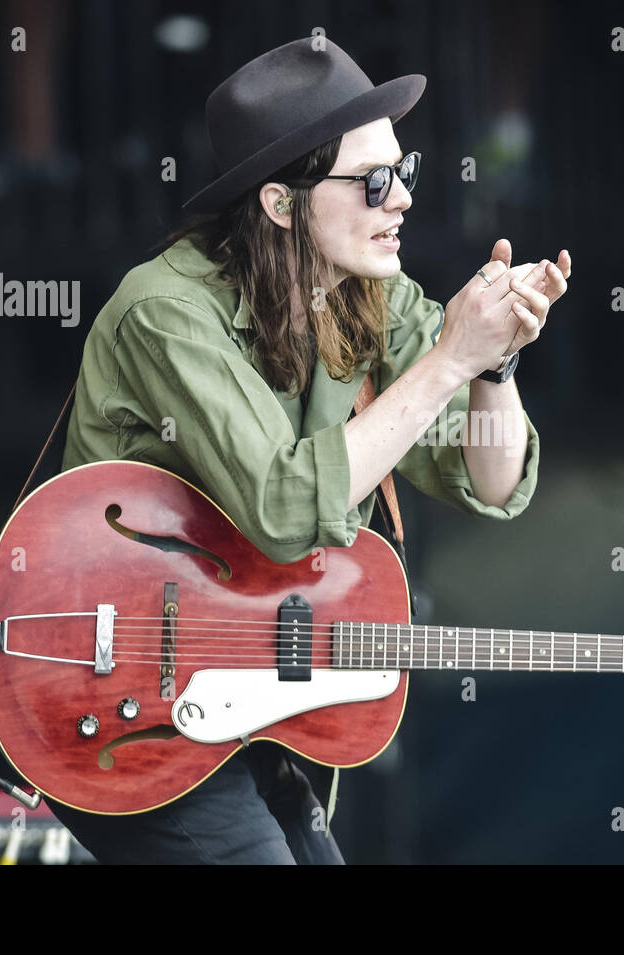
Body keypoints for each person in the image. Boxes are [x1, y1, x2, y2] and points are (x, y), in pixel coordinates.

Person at [43, 37, 572, 864]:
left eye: (406, 172)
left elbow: (493, 480)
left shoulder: (372, 293)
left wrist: (494, 364)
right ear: (281, 205)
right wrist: (449, 361)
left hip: (248, 701)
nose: (399, 200)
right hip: (111, 692)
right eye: (371, 181)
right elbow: (285, 509)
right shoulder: (165, 312)